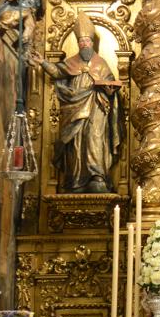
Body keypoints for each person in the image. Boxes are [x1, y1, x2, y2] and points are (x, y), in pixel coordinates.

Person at [29, 12, 122, 193]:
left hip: (97, 107)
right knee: (77, 142)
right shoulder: (71, 62)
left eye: (87, 41)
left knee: (94, 138)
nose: (84, 44)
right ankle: (77, 180)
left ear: (92, 43)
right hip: (74, 107)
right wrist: (43, 62)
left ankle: (97, 176)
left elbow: (111, 85)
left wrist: (110, 93)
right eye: (81, 42)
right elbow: (57, 72)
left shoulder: (101, 64)